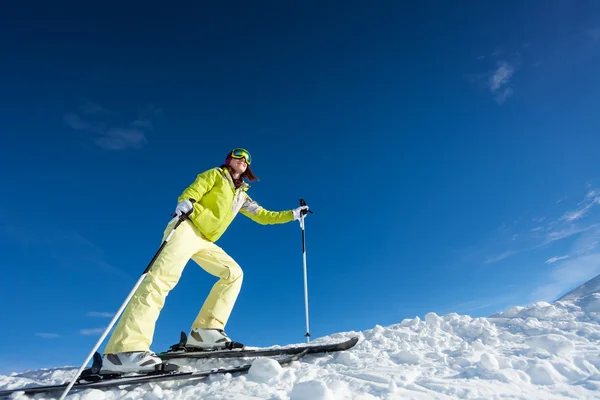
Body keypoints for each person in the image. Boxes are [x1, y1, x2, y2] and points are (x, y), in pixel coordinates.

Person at [100, 148, 309, 373]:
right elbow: (196, 188)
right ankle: (124, 351)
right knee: (161, 280)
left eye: (247, 159)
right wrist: (186, 201)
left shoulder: (241, 195)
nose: (244, 160)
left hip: (205, 240)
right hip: (187, 227)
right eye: (239, 156)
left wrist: (293, 214)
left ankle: (204, 333)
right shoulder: (215, 175)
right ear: (229, 160)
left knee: (233, 273)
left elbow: (264, 216)